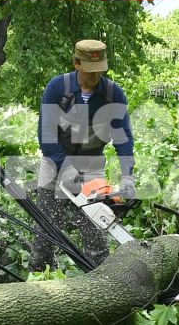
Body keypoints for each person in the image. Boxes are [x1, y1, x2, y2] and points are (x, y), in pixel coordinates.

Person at [28, 38, 135, 270]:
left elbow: (123, 138)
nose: (95, 77)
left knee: (96, 233)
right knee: (45, 234)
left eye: (99, 71)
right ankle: (37, 281)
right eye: (89, 71)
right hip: (54, 164)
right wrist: (65, 167)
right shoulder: (57, 88)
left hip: (91, 164)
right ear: (76, 63)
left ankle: (101, 286)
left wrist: (127, 175)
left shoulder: (113, 94)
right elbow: (46, 134)